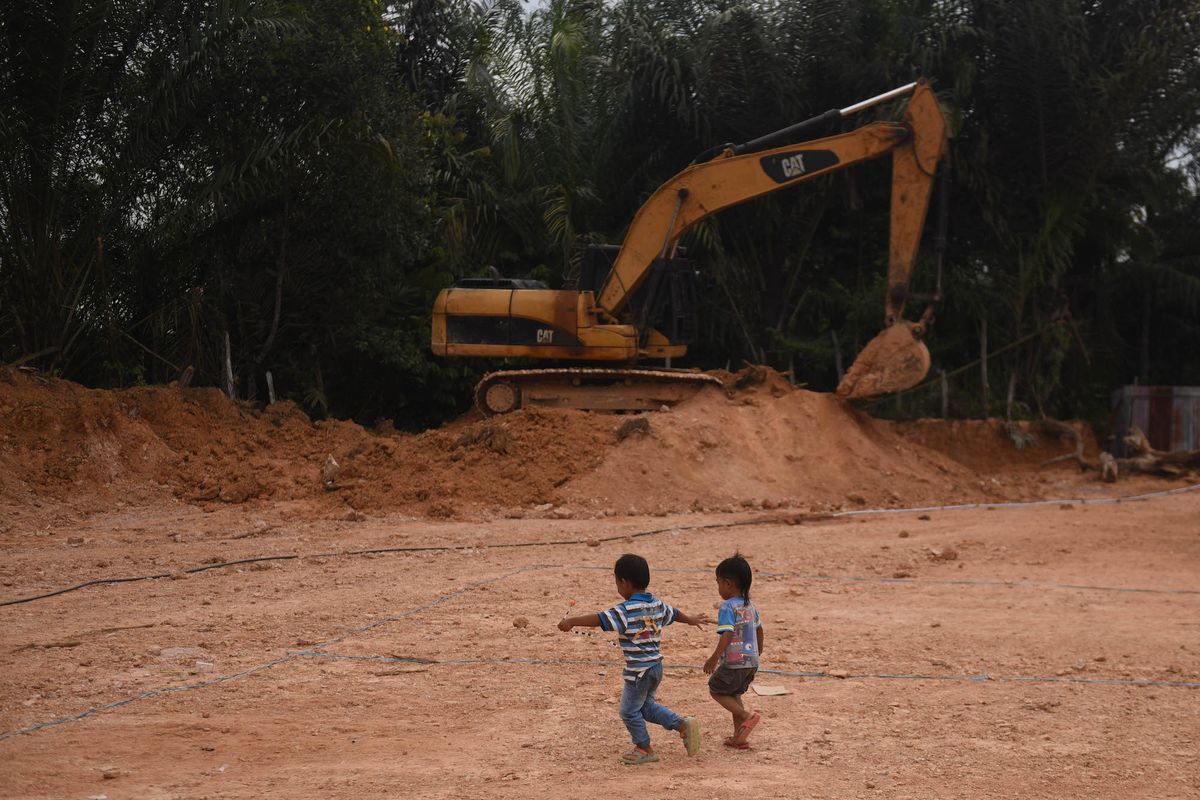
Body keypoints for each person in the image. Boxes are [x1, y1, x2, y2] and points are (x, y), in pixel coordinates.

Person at [558, 553, 708, 764]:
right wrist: (691, 620)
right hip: (656, 667)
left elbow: (600, 619)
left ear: (624, 582)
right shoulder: (656, 604)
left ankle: (644, 747)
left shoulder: (625, 610)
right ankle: (682, 725)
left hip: (639, 671)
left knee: (628, 711)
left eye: (616, 581)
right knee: (645, 708)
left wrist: (572, 621)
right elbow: (673, 613)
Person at [703, 553, 764, 749]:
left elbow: (727, 634)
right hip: (751, 660)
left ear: (728, 584)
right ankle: (739, 737)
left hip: (734, 661)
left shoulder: (727, 607)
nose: (718, 587)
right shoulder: (749, 605)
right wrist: (758, 652)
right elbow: (759, 629)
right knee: (735, 694)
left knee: (716, 690)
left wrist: (713, 658)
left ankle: (747, 717)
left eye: (718, 582)